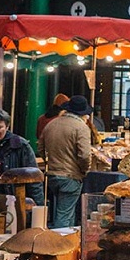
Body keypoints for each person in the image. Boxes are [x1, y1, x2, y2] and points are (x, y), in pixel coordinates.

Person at [39, 95, 94, 228]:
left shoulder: (51, 124)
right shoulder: (81, 127)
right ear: (83, 114)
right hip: (70, 176)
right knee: (64, 215)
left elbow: (41, 148)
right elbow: (85, 155)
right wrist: (84, 170)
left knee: (66, 212)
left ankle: (69, 242)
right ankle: (59, 243)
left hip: (52, 175)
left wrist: (49, 163)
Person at [0, 109, 42, 207]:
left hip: (16, 199)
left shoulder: (20, 145)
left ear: (7, 126)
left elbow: (33, 179)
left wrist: (38, 205)